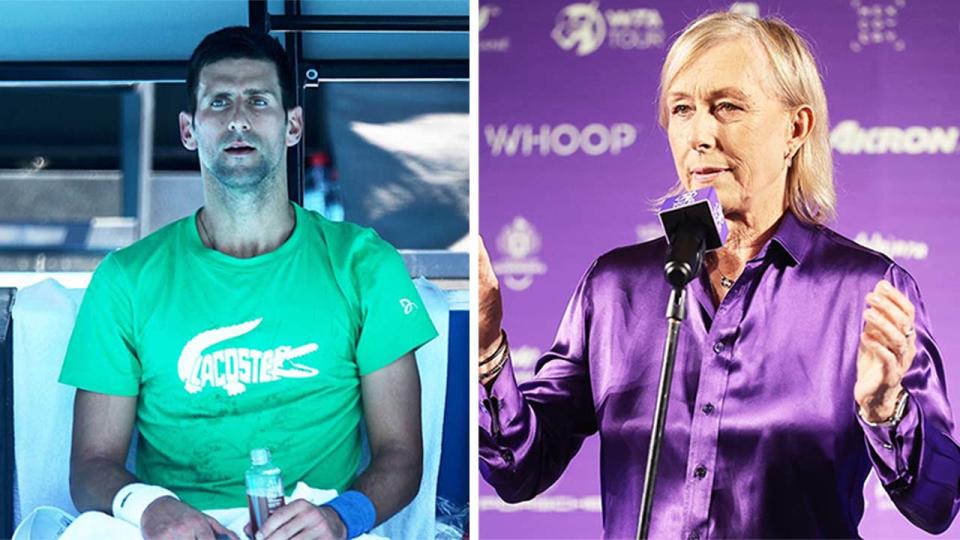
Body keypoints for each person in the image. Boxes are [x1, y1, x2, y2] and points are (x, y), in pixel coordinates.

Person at [478, 12, 960, 539]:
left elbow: (937, 504)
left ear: (795, 129)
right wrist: (486, 351)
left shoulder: (866, 291)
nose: (699, 134)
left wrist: (886, 411)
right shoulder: (615, 288)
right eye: (682, 109)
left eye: (727, 107)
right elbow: (517, 472)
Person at [58, 27, 437, 540]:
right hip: (173, 528)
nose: (238, 117)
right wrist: (150, 508)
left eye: (258, 100)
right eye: (218, 102)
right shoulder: (126, 279)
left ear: (293, 126)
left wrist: (339, 518)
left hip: (315, 522)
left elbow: (401, 457)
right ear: (190, 130)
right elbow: (91, 465)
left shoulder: (363, 264)